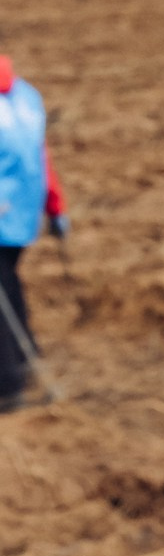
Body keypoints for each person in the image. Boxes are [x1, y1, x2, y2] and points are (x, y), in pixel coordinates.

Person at [0, 49, 66, 411]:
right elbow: (42, 156)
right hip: (23, 214)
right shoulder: (25, 95)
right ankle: (27, 364)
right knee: (8, 285)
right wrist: (56, 207)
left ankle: (8, 387)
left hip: (4, 214)